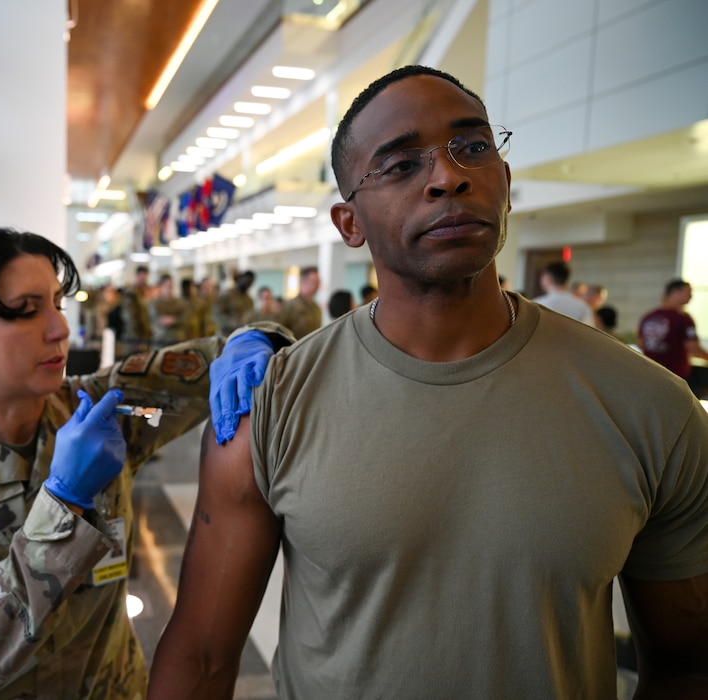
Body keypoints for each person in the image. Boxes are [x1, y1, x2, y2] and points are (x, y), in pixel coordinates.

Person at [149, 66, 708, 699]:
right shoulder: (269, 408)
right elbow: (199, 659)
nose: (448, 176)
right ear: (348, 223)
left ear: (503, 180)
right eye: (400, 165)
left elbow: (687, 665)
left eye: (472, 147)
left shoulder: (650, 408)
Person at [0, 227, 280, 700]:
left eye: (58, 303)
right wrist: (62, 504)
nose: (59, 328)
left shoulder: (104, 409)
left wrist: (256, 339)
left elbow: (226, 352)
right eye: (26, 311)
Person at [638, 278, 708, 395]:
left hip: (650, 375)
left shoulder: (649, 316)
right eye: (688, 293)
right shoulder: (683, 319)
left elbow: (640, 342)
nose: (691, 297)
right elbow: (693, 348)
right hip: (676, 377)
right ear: (676, 293)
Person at [277, 266, 322, 338]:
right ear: (303, 282)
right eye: (314, 282)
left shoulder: (316, 308)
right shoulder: (289, 306)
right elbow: (279, 331)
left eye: (318, 282)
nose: (317, 285)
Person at [119, 265, 152, 353]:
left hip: (143, 336)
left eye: (145, 277)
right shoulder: (131, 293)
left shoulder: (144, 292)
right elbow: (129, 317)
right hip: (133, 337)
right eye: (142, 277)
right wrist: (135, 338)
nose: (144, 279)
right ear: (137, 276)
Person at [150, 273, 188, 347]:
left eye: (171, 286)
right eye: (166, 286)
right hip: (160, 340)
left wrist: (174, 319)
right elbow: (158, 319)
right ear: (161, 287)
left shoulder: (179, 302)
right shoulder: (154, 303)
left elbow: (186, 318)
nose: (169, 289)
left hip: (177, 340)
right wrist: (174, 319)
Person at [213, 269, 255, 336]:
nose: (247, 284)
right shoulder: (227, 294)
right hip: (225, 335)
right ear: (240, 279)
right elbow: (216, 314)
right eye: (246, 281)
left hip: (241, 335)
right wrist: (232, 322)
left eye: (250, 282)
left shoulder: (249, 300)